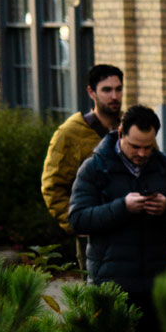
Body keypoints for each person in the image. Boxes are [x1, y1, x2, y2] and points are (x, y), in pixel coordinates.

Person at [68, 104, 166, 332]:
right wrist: (122, 207)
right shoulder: (95, 168)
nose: (142, 153)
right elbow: (78, 219)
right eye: (135, 147)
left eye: (147, 147)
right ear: (120, 133)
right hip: (110, 283)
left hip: (156, 283)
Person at [42, 64, 123, 240]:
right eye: (107, 90)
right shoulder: (69, 133)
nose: (114, 96)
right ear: (91, 92)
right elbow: (52, 186)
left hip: (130, 230)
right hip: (93, 233)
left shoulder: (131, 126)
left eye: (118, 89)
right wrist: (75, 223)